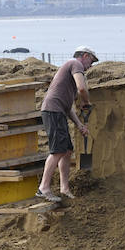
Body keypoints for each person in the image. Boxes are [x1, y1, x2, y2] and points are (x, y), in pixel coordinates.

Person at [37, 45, 98, 202]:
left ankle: (64, 189)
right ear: (84, 55)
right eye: (91, 61)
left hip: (58, 111)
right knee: (57, 150)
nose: (91, 66)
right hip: (52, 111)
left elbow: (68, 108)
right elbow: (82, 89)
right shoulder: (75, 64)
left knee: (67, 150)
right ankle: (43, 188)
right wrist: (86, 102)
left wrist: (79, 125)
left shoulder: (68, 79)